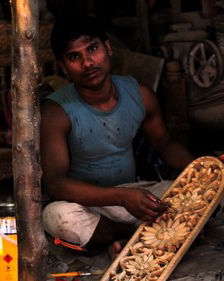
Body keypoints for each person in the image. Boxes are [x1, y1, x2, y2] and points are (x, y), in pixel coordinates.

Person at [40, 16, 195, 253]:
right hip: (90, 205)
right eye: (74, 57)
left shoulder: (140, 94)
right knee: (56, 216)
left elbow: (164, 144)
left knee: (215, 190)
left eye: (93, 49)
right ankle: (146, 233)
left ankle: (142, 235)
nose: (87, 63)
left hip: (138, 196)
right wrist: (121, 197)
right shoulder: (56, 111)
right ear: (63, 66)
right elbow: (56, 184)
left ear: (108, 48)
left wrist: (204, 169)